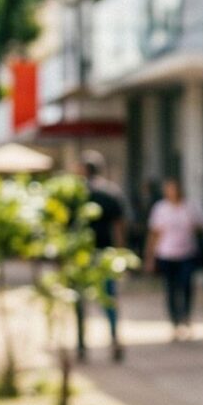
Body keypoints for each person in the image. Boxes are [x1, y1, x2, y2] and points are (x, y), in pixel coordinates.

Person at [73, 151, 128, 363]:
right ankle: (114, 339)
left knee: (79, 302)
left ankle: (81, 346)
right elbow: (119, 226)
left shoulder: (77, 194)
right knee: (109, 300)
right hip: (105, 254)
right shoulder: (111, 192)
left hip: (81, 255)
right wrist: (120, 253)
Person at [143, 177, 203, 341]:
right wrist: (150, 257)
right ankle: (174, 322)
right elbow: (154, 234)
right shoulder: (161, 208)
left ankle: (186, 318)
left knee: (186, 287)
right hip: (167, 254)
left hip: (187, 253)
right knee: (171, 289)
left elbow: (202, 227)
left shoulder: (190, 207)